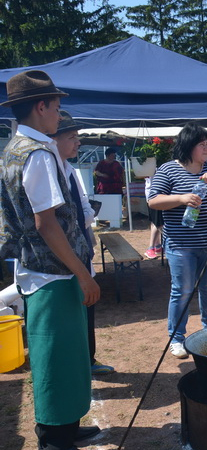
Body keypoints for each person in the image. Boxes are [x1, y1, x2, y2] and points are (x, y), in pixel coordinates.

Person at [0, 70, 101, 450]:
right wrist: (84, 275)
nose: (60, 116)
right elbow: (47, 225)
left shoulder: (14, 148)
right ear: (40, 107)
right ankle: (56, 437)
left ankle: (66, 425)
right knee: (55, 357)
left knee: (66, 354)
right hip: (52, 274)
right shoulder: (38, 154)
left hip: (39, 270)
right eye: (57, 108)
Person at [148, 122, 207, 359]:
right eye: (201, 144)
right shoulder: (168, 170)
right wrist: (181, 198)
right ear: (188, 146)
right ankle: (177, 338)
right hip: (181, 245)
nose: (206, 149)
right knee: (182, 291)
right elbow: (153, 201)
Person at [50, 110, 115, 376]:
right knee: (70, 312)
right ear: (54, 140)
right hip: (62, 256)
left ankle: (88, 357)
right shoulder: (50, 168)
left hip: (81, 246)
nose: (78, 143)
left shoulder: (70, 170)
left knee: (87, 310)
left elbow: (84, 208)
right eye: (72, 137)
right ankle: (75, 364)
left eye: (78, 137)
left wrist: (88, 218)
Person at [144, 175, 163, 259]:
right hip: (155, 195)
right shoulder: (151, 165)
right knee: (157, 222)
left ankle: (157, 246)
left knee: (155, 221)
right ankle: (150, 248)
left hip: (158, 195)